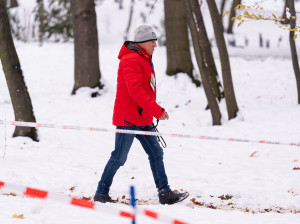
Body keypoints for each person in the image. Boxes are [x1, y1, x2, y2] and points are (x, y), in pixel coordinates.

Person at [94, 25, 188, 205]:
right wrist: (156, 110)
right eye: (152, 41)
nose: (155, 45)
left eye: (155, 41)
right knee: (119, 157)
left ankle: (165, 193)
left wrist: (151, 112)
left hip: (143, 119)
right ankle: (101, 193)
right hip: (128, 119)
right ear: (143, 42)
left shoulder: (144, 58)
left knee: (156, 152)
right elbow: (135, 91)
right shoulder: (130, 60)